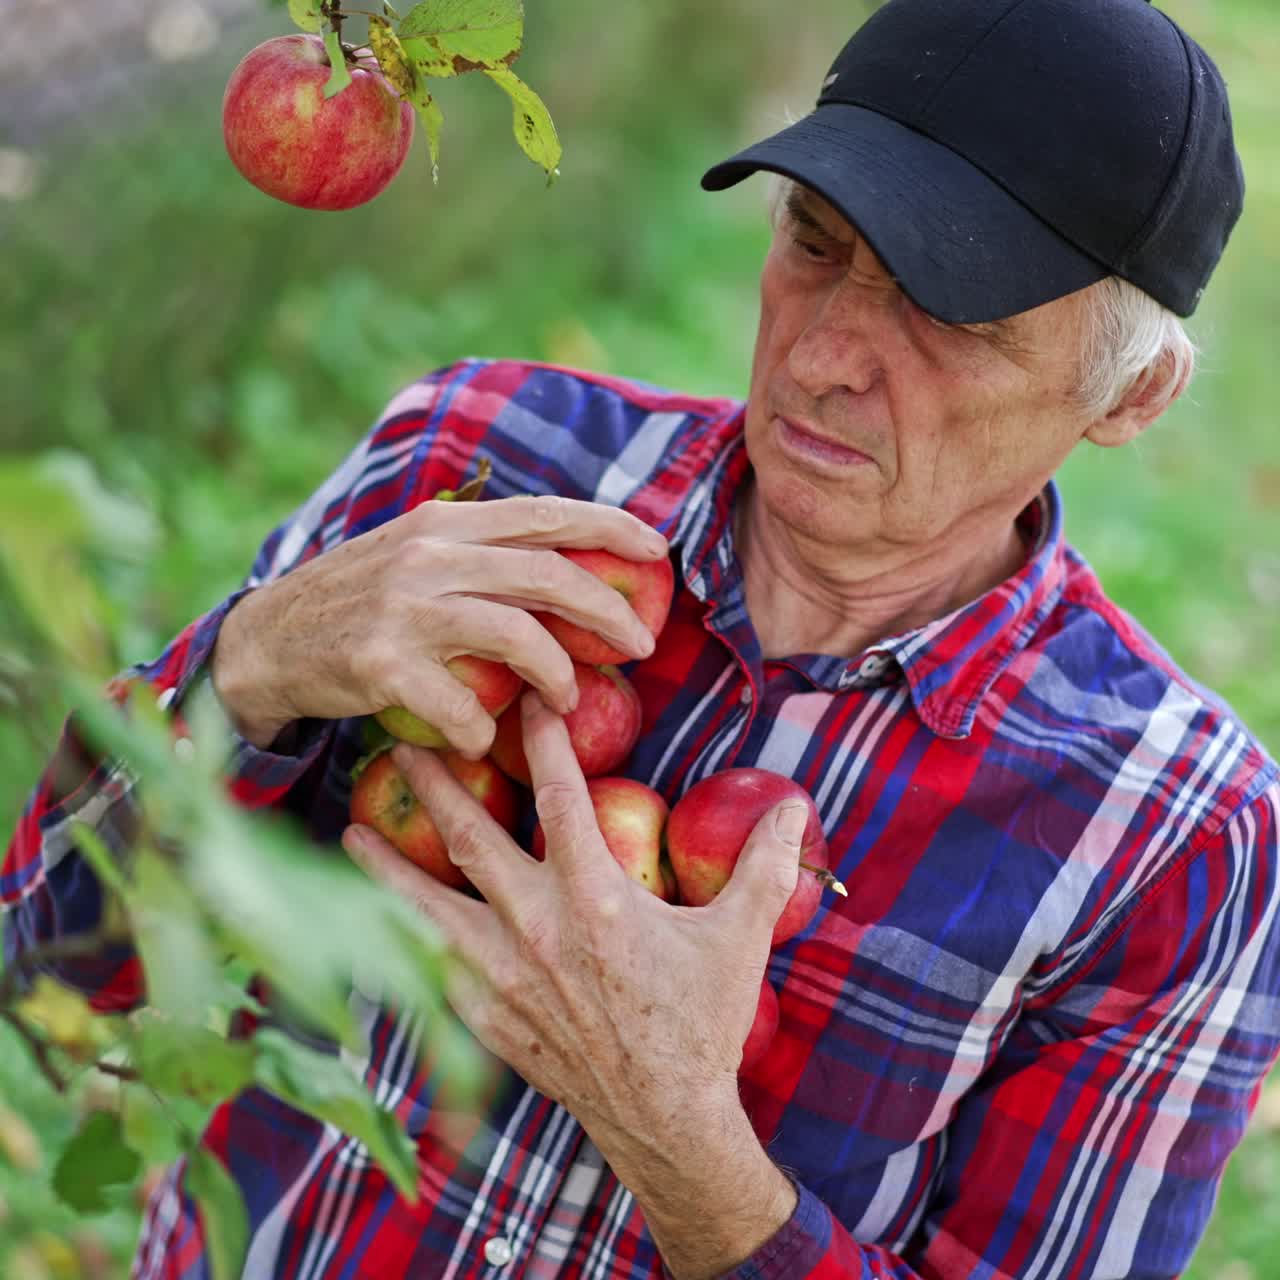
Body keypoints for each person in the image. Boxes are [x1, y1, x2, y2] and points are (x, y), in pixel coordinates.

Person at [5, 0, 1279, 1275]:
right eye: (814, 239)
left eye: (948, 315)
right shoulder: (475, 474)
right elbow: (44, 958)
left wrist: (683, 1147)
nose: (827, 352)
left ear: (1130, 392)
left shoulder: (1172, 839)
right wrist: (252, 666)